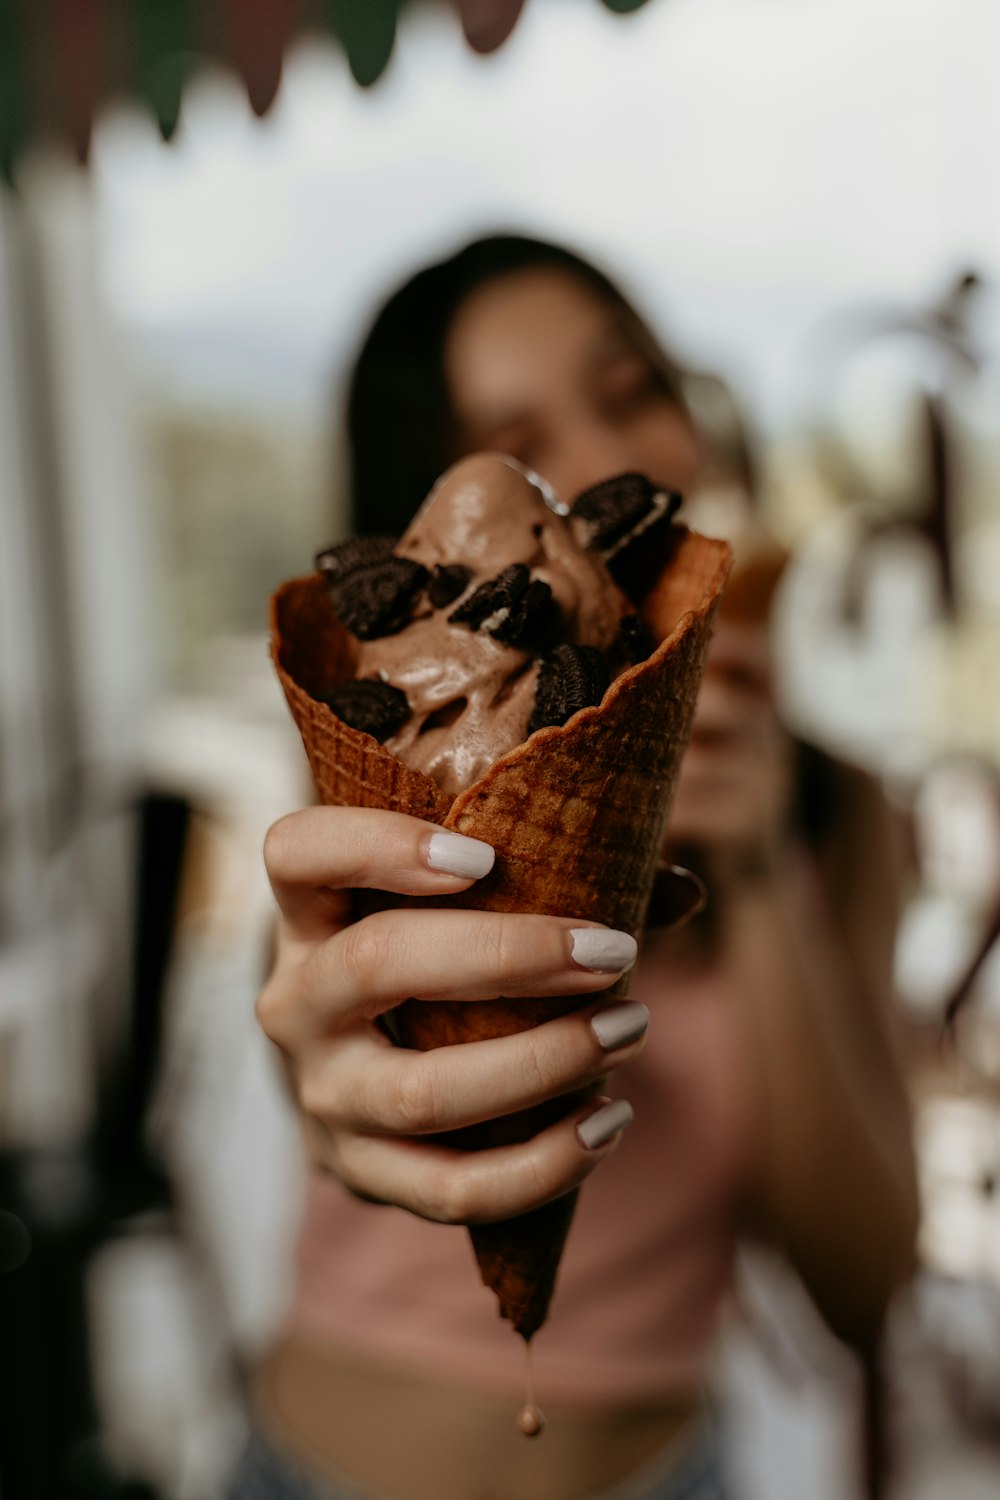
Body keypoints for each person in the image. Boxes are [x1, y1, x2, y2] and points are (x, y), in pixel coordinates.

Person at [242, 236, 918, 1500]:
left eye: (629, 391)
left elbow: (864, 1282)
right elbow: (315, 1059)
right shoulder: (405, 762)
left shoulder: (844, 807)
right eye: (517, 445)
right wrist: (340, 1109)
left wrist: (761, 870)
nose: (600, 472)